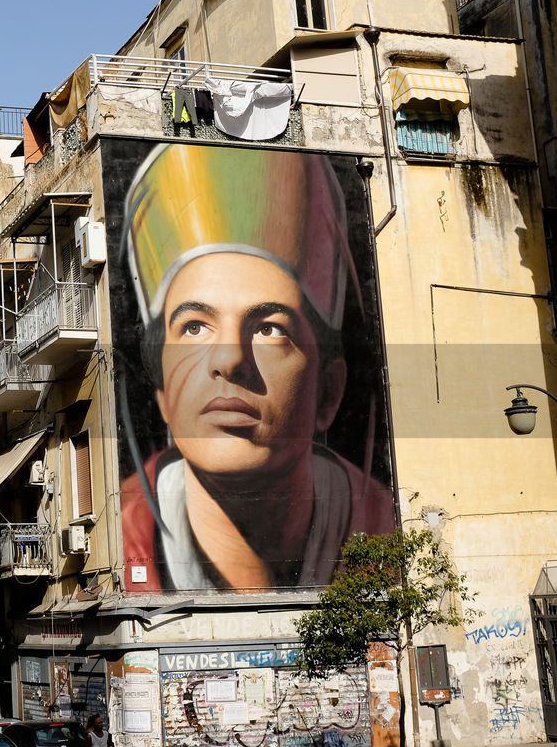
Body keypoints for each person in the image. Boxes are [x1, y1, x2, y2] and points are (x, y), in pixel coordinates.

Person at [119, 144, 395, 593]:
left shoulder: (385, 528)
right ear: (163, 395)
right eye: (194, 327)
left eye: (269, 328)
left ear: (328, 391)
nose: (229, 360)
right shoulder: (125, 530)